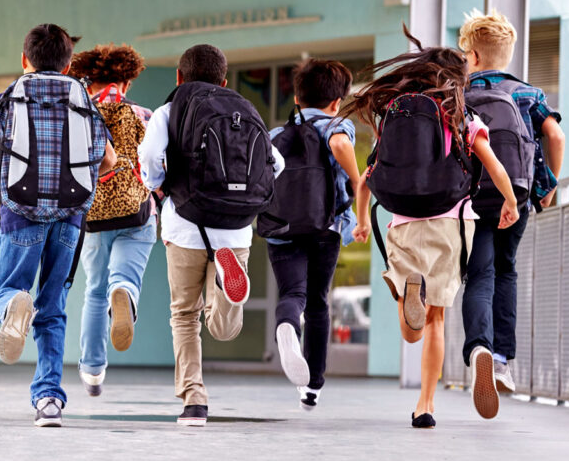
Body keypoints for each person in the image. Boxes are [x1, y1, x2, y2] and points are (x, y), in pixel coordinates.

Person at [347, 29, 519, 428]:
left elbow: (364, 181)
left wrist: (359, 222)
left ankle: (411, 304)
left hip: (403, 223)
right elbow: (493, 165)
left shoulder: (395, 113)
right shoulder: (462, 115)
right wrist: (509, 201)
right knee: (437, 319)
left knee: (413, 330)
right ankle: (429, 402)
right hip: (451, 221)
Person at [138, 44, 284, 427]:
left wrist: (157, 185)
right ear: (224, 79)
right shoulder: (243, 109)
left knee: (184, 316)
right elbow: (276, 163)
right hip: (235, 231)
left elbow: (150, 155)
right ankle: (227, 292)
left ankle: (194, 399)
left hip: (185, 226)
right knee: (223, 327)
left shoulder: (169, 110)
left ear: (178, 78)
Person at [0, 24, 115, 427]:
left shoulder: (12, 94)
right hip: (71, 215)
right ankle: (49, 401)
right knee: (53, 307)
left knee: (4, 292)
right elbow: (106, 159)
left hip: (20, 211)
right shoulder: (83, 97)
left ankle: (11, 307)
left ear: (25, 61)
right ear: (69, 62)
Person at [457, 9, 565, 398]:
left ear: (473, 56)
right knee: (506, 271)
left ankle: (479, 347)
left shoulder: (460, 94)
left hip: (469, 197)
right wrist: (547, 186)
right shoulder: (528, 93)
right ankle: (501, 360)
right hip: (515, 197)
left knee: (478, 272)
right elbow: (555, 137)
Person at [264, 59, 359, 411]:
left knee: (294, 294)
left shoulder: (275, 135)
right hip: (324, 228)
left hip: (282, 227)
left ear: (297, 99)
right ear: (336, 101)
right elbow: (339, 146)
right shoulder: (338, 125)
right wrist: (357, 178)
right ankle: (313, 386)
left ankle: (287, 324)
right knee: (319, 302)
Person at [68, 44, 156, 397]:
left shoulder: (80, 115)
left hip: (92, 217)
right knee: (124, 278)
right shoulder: (142, 114)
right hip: (135, 212)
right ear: (127, 80)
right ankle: (126, 293)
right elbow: (156, 166)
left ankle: (92, 370)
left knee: (94, 291)